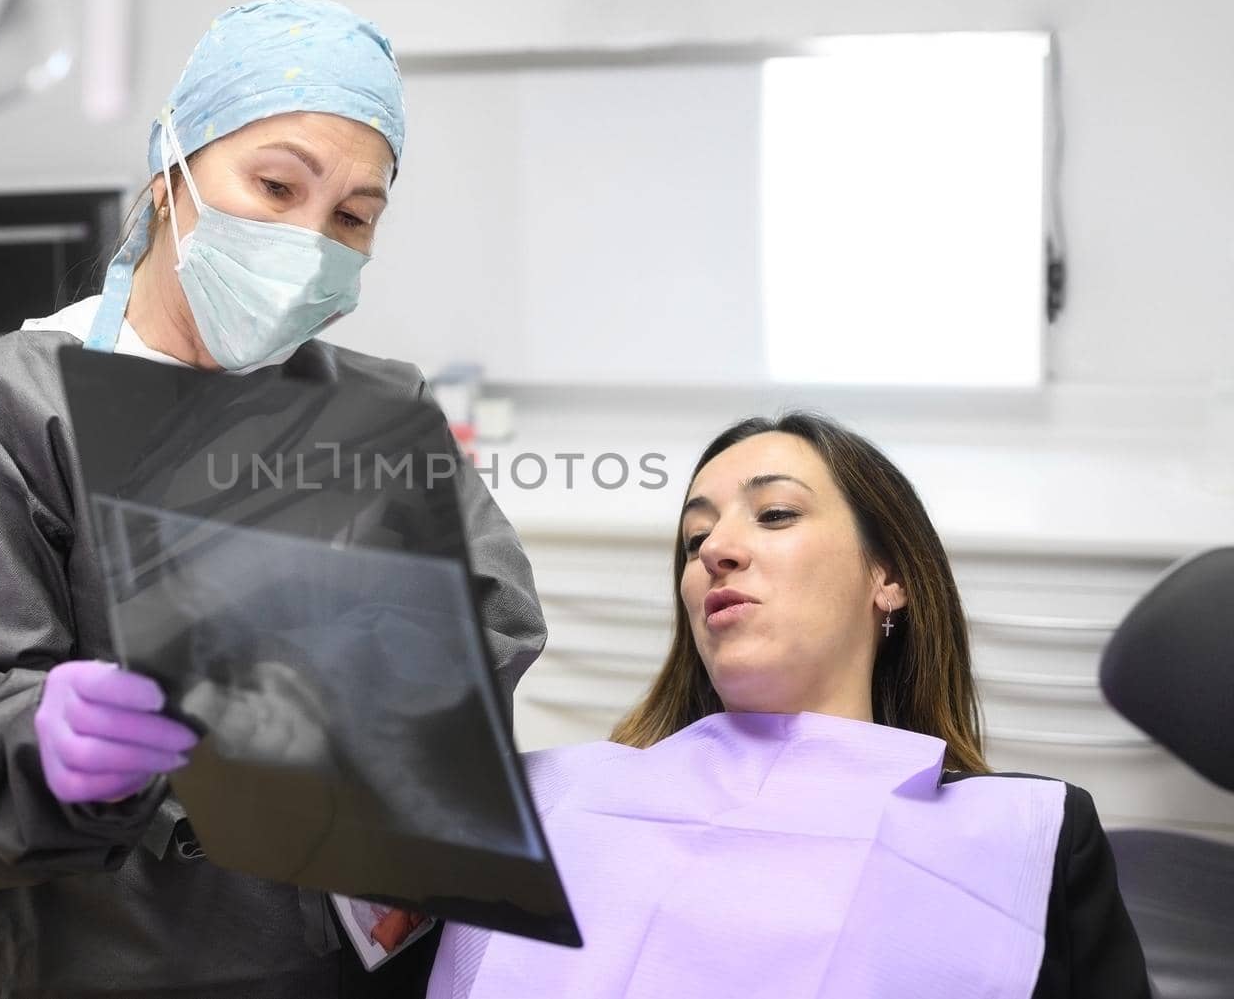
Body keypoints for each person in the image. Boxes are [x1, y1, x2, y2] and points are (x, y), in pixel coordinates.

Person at [0, 0, 547, 999]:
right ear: (173, 173)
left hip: (363, 959)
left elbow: (492, 618)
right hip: (121, 959)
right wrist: (36, 738)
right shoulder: (13, 402)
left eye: (351, 215)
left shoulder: (377, 411)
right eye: (274, 185)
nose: (311, 240)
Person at [427, 412, 1151, 999]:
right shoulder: (547, 808)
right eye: (695, 537)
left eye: (774, 513)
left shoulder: (1020, 842)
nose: (717, 549)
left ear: (888, 573)